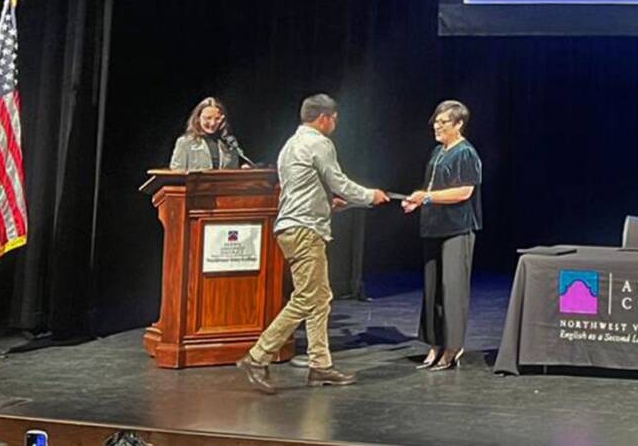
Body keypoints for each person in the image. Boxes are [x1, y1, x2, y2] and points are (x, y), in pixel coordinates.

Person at [237, 94, 388, 393]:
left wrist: (329, 203)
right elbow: (339, 181)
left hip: (295, 227)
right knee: (307, 298)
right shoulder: (320, 143)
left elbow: (303, 188)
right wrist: (371, 196)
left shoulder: (290, 145)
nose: (335, 124)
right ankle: (257, 356)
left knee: (320, 299)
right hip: (305, 230)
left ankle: (320, 366)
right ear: (324, 118)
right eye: (334, 119)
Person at [402, 99, 483, 371]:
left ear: (458, 124)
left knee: (452, 289)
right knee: (432, 288)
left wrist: (427, 196)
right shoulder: (438, 152)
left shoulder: (466, 153)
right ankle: (435, 343)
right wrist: (418, 201)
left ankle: (453, 347)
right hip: (433, 227)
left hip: (457, 229)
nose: (437, 126)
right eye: (435, 121)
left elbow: (464, 192)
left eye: (443, 122)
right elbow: (432, 189)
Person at [168, 97, 243, 171]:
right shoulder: (185, 142)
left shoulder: (229, 143)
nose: (212, 123)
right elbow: (176, 173)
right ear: (198, 118)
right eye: (208, 118)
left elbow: (233, 174)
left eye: (217, 118)